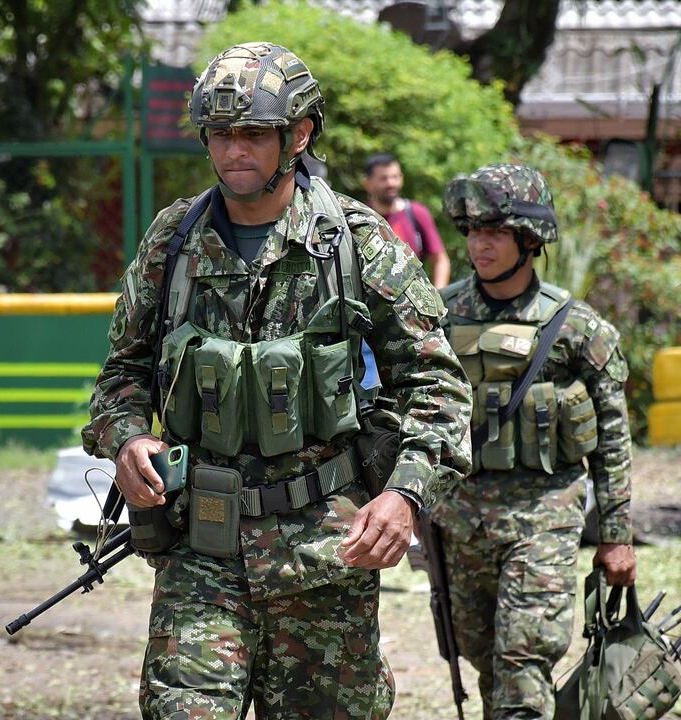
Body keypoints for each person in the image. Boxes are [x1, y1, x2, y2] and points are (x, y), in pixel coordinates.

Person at [82, 42, 472, 718]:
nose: (235, 150)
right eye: (221, 134)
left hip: (325, 555)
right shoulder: (173, 240)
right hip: (201, 549)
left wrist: (406, 495)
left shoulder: (356, 242)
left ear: (298, 134)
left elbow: (437, 385)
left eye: (253, 134)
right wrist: (124, 439)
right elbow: (123, 370)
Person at [433, 163, 635, 720]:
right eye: (472, 231)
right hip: (460, 518)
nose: (480, 244)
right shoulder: (440, 317)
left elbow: (613, 436)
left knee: (524, 659)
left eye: (494, 231)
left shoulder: (577, 328)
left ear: (529, 240)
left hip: (544, 514)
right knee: (483, 659)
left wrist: (616, 535)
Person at [363, 153, 451, 288]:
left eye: (395, 177)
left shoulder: (417, 213)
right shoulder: (361, 217)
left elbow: (440, 259)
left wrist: (439, 296)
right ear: (368, 184)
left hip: (413, 302)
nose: (391, 183)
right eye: (383, 179)